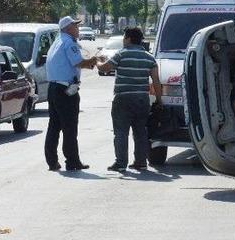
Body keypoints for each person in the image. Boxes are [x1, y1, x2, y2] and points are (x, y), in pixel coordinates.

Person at [98, 27, 161, 172]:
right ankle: (140, 162)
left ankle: (120, 163)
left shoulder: (121, 54)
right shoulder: (149, 57)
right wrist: (159, 100)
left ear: (128, 39)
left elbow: (104, 69)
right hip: (142, 100)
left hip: (123, 99)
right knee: (140, 131)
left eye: (124, 37)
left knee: (120, 132)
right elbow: (156, 80)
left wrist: (99, 62)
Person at [44, 16, 99, 171]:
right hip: (65, 91)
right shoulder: (69, 43)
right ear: (68, 28)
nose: (78, 28)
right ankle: (72, 161)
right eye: (75, 26)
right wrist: (94, 60)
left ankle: (52, 161)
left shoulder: (57, 42)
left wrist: (89, 63)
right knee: (69, 127)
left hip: (54, 88)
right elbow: (79, 62)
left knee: (54, 126)